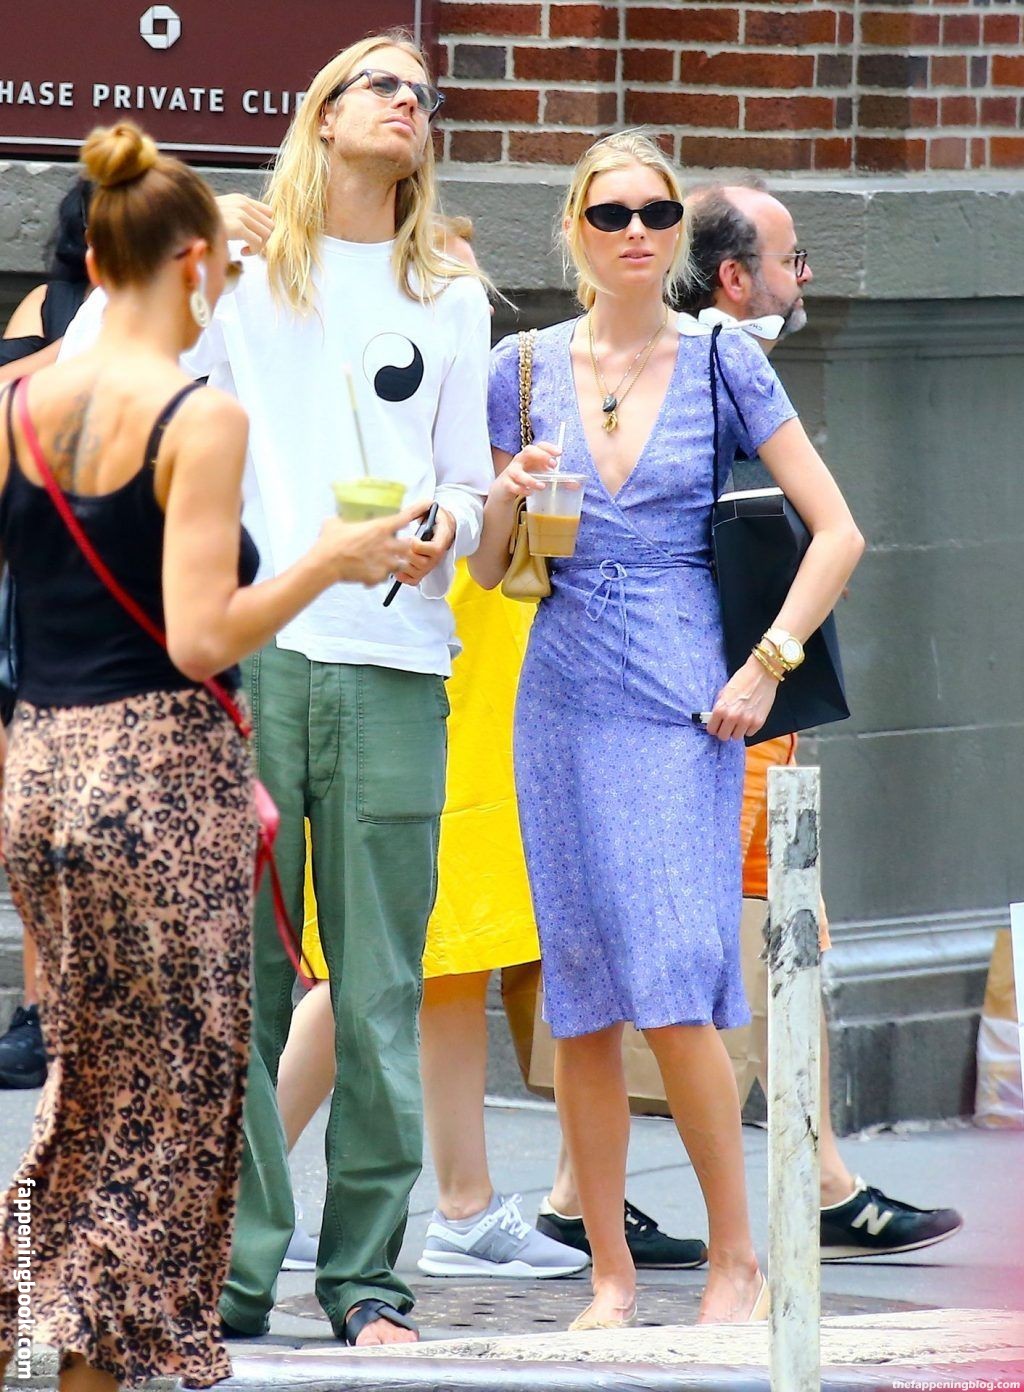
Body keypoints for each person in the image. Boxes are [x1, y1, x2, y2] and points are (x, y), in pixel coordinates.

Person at [61, 30, 494, 1347]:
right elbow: (93, 359)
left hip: (397, 659)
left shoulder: (449, 290)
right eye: (382, 83)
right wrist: (193, 247)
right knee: (227, 988)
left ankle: (365, 1279)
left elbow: (467, 479)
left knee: (377, 992)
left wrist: (449, 528)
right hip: (251, 654)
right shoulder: (239, 271)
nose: (409, 102)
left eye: (423, 91)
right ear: (322, 112)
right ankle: (234, 1268)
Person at [0, 121, 417, 1392]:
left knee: (87, 1080)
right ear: (190, 264)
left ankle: (51, 1316)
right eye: (221, 272)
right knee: (174, 1098)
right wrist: (327, 561)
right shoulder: (198, 414)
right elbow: (200, 636)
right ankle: (105, 1354)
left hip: (41, 765)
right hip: (157, 778)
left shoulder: (19, 398)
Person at [470, 130, 865, 1329]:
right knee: (581, 994)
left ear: (679, 234)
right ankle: (610, 1274)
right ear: (574, 231)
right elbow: (489, 574)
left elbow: (836, 532)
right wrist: (503, 498)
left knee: (674, 983)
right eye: (610, 214)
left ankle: (736, 1260)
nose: (634, 231)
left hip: (683, 694)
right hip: (560, 690)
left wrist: (766, 665)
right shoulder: (520, 370)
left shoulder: (720, 362)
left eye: (654, 213)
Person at [282, 213, 708, 1283]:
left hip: (491, 674)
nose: (458, 297)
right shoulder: (408, 379)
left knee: (447, 954)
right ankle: (239, 1190)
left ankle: (477, 1201)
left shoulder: (498, 371)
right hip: (443, 675)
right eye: (438, 275)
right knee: (390, 952)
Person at [681, 180, 963, 1259]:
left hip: (740, 704)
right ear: (733, 276)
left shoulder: (709, 362)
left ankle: (815, 1180)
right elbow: (832, 534)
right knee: (748, 940)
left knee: (766, 934)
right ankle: (815, 1183)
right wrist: (767, 665)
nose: (805, 279)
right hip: (722, 708)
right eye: (790, 260)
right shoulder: (715, 365)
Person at [0, 178, 94, 1090]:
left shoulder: (202, 311)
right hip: (46, 578)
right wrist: (90, 338)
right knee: (36, 817)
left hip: (146, 581)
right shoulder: (51, 306)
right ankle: (37, 1009)